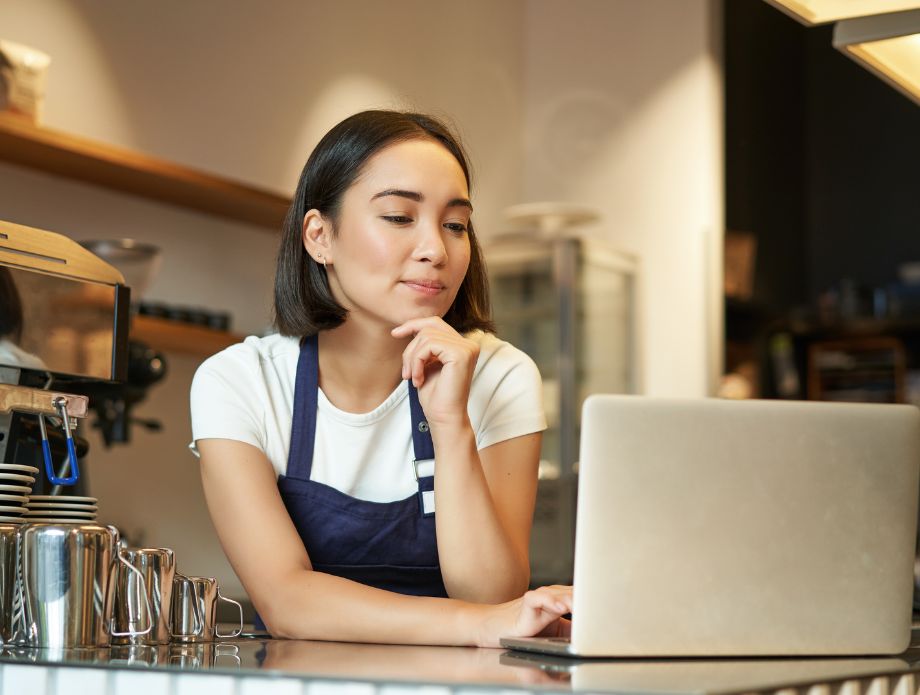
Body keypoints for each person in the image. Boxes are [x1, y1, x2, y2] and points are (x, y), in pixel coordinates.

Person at [190, 110, 572, 646]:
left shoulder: (501, 375)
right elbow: (286, 601)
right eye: (398, 217)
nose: (435, 250)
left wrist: (450, 423)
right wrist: (482, 623)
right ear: (319, 236)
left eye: (455, 225)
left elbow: (489, 594)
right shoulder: (239, 382)